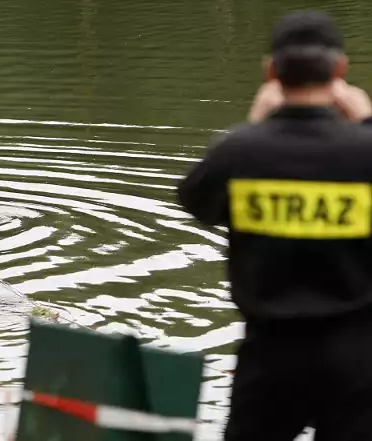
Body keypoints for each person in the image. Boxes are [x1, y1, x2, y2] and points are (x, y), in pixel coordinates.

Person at [177, 10, 372, 441]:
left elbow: (195, 200)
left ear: (271, 72)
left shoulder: (240, 153)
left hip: (269, 357)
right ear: (340, 70)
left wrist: (254, 128)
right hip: (357, 360)